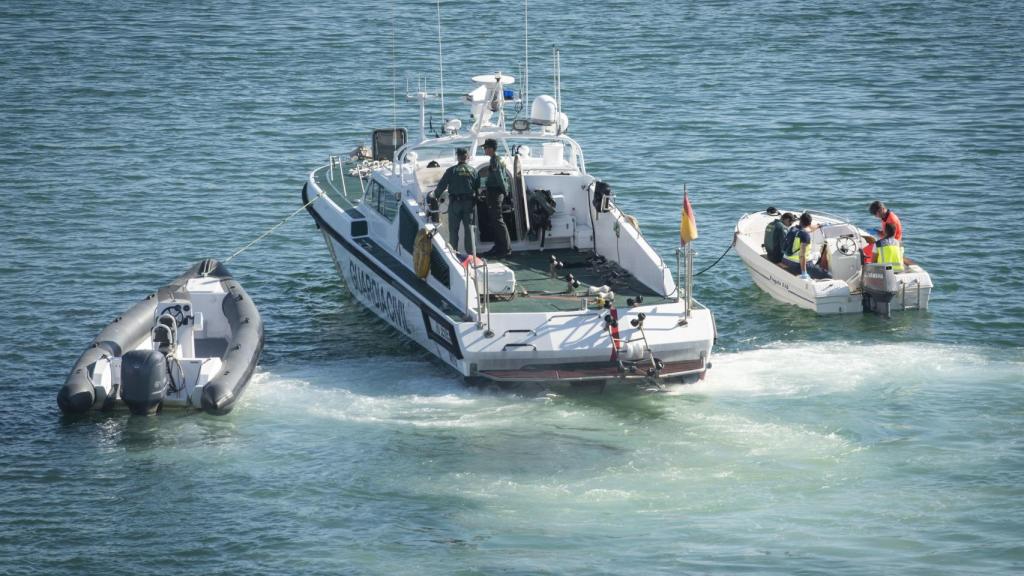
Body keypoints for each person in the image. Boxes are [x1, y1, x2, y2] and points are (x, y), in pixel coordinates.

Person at [429, 148, 480, 252]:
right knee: (469, 230)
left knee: (453, 230)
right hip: (469, 204)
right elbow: (477, 187)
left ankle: (454, 253)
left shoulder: (451, 171)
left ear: (458, 157)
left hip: (455, 204)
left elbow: (441, 187)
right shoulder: (473, 171)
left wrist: (434, 198)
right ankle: (470, 254)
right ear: (468, 157)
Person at [480, 138, 511, 257]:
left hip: (495, 193)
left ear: (491, 149)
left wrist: (505, 192)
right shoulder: (498, 159)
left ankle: (505, 249)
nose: (484, 149)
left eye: (485, 147)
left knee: (498, 221)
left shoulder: (494, 161)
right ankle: (498, 246)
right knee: (495, 221)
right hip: (495, 193)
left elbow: (499, 178)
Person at [783, 212, 828, 280]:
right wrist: (804, 272)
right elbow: (802, 255)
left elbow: (810, 229)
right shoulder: (805, 235)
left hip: (785, 259)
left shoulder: (792, 229)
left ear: (800, 221)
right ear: (809, 223)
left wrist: (819, 225)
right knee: (828, 275)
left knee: (816, 254)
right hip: (796, 265)